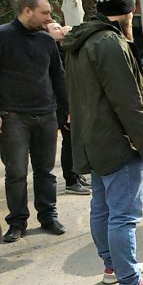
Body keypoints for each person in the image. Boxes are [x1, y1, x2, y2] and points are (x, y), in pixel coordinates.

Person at [63, 0, 143, 285]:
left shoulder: (81, 41)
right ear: (124, 13)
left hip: (94, 140)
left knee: (102, 207)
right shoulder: (110, 44)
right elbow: (128, 102)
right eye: (131, 13)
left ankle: (113, 268)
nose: (132, 18)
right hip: (118, 142)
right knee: (124, 215)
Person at [0, 0, 67, 243]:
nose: (49, 18)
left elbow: (58, 76)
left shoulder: (47, 41)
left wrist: (66, 109)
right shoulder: (3, 36)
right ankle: (17, 222)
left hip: (46, 114)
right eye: (45, 13)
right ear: (27, 11)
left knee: (45, 171)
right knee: (16, 172)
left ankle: (48, 216)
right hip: (13, 116)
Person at [45, 20, 92, 196]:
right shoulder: (52, 50)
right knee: (69, 141)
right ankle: (71, 180)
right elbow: (60, 79)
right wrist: (66, 110)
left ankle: (76, 175)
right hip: (61, 105)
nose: (60, 30)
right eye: (55, 28)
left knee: (75, 141)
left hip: (73, 101)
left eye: (59, 26)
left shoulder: (64, 47)